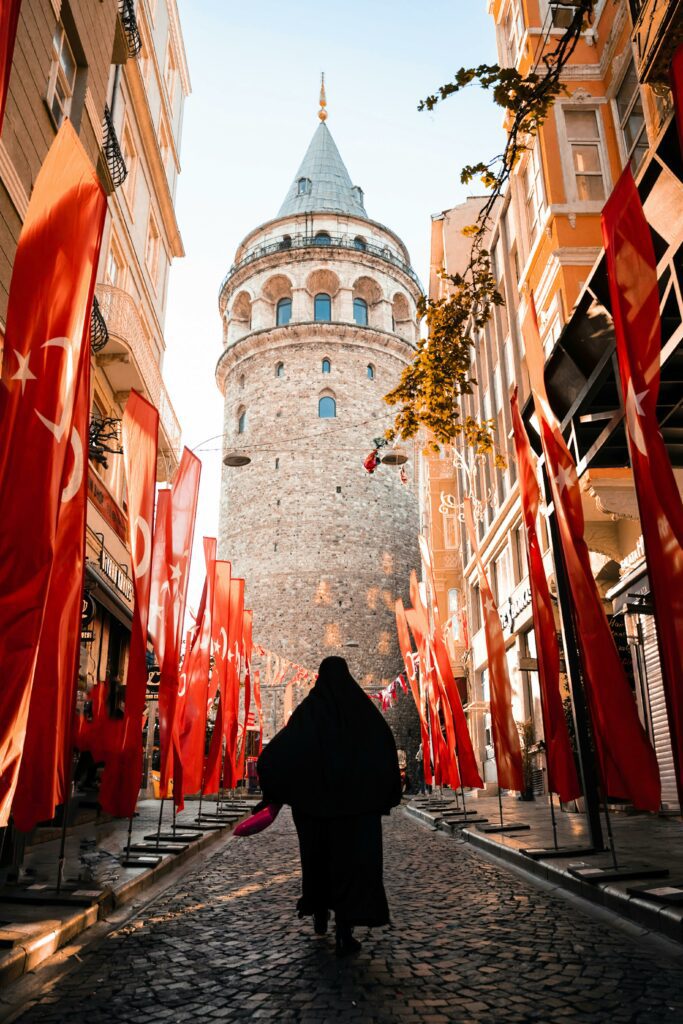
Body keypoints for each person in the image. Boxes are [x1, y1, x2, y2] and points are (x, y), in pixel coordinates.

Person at [257, 656, 402, 956]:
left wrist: (274, 789)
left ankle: (319, 909)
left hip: (314, 813)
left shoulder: (309, 713)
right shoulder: (361, 712)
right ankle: (344, 931)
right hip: (353, 815)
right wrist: (384, 794)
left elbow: (280, 753)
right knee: (350, 868)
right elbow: (383, 747)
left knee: (318, 863)